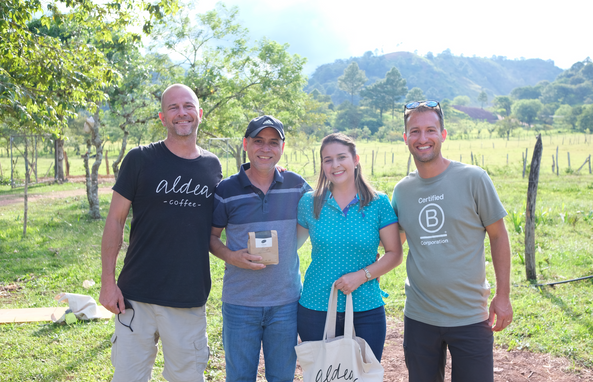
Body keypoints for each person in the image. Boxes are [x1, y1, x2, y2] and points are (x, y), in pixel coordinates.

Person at [99, 84, 222, 382]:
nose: (182, 113)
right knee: (128, 377)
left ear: (200, 113)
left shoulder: (212, 166)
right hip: (135, 296)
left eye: (188, 106)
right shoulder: (140, 159)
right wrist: (107, 282)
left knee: (187, 377)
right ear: (162, 117)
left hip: (187, 296)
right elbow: (115, 221)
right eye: (173, 107)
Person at [391, 100, 513, 382]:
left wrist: (503, 295)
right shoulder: (402, 191)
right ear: (405, 138)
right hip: (419, 316)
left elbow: (498, 235)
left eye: (430, 130)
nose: (423, 139)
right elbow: (392, 245)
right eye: (415, 131)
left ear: (443, 134)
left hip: (470, 316)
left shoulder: (473, 178)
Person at [209, 115, 311, 382]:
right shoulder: (226, 190)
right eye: (258, 141)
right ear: (245, 144)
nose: (266, 149)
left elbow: (326, 215)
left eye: (273, 142)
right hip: (240, 303)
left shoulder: (297, 186)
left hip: (286, 303)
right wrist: (231, 256)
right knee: (240, 377)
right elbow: (211, 237)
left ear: (282, 148)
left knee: (282, 377)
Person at [296, 133, 403, 362]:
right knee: (321, 376)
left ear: (355, 160)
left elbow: (394, 254)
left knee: (364, 374)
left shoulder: (378, 203)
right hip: (316, 307)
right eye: (327, 159)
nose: (335, 165)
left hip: (366, 307)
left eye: (341, 157)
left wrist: (361, 276)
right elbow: (290, 246)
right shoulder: (309, 202)